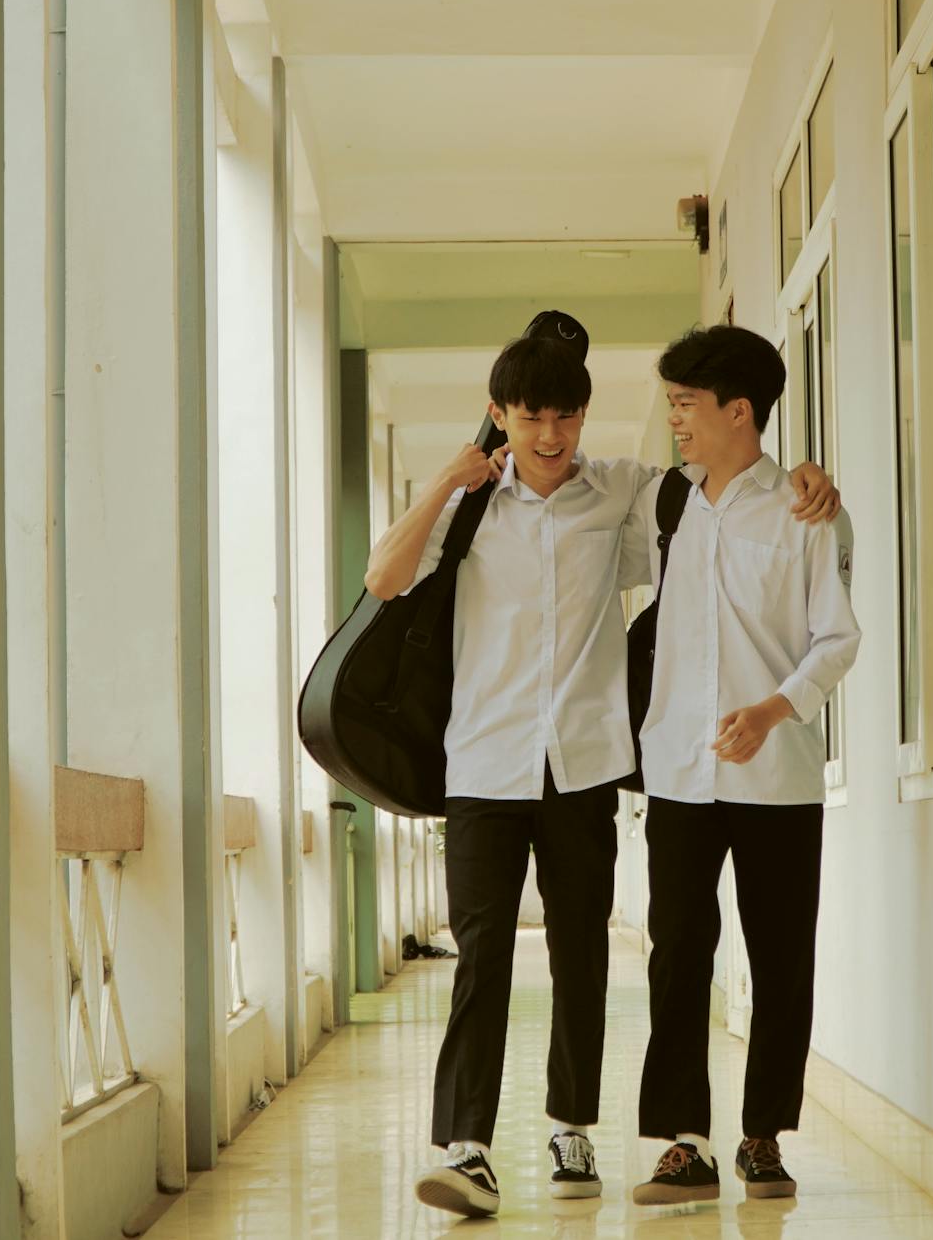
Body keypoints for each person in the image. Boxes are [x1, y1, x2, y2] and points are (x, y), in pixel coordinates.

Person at [363, 317, 838, 1219]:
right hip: (483, 762)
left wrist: (813, 480)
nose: (549, 439)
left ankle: (570, 1126)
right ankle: (466, 1149)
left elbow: (726, 484)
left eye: (567, 418)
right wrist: (440, 487)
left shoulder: (625, 495)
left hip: (582, 759)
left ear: (583, 418)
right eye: (530, 418)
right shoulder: (466, 509)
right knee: (481, 957)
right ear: (499, 414)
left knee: (582, 954)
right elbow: (385, 579)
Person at [627, 325, 861, 1206]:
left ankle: (761, 1137)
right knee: (677, 956)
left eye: (686, 404)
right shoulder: (664, 508)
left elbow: (838, 639)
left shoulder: (809, 512)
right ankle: (683, 1143)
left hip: (779, 773)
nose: (675, 420)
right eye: (671, 404)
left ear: (738, 411)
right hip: (680, 773)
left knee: (779, 957)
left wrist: (772, 709)